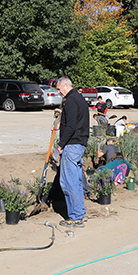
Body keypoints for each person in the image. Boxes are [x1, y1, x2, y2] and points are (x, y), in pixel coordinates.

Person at [54, 77, 90, 228]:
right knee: (75, 181)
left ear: (66, 86)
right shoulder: (79, 99)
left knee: (68, 182)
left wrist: (60, 146)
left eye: (58, 89)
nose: (58, 92)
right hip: (79, 144)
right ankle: (79, 212)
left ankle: (75, 217)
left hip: (72, 145)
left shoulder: (70, 101)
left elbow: (71, 125)